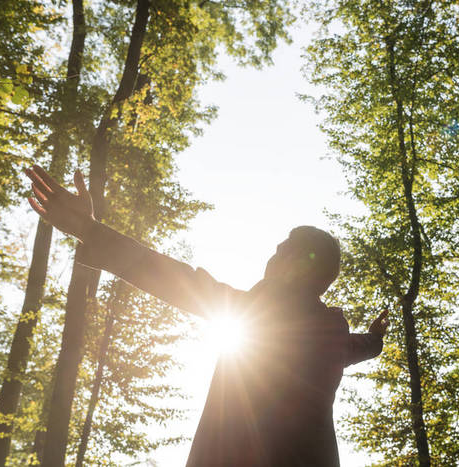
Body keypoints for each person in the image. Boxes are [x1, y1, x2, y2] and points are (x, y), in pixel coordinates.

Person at [24, 165, 389, 466]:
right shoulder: (332, 332)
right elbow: (356, 348)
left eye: (281, 250)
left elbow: (172, 278)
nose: (272, 256)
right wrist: (375, 339)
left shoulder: (257, 313)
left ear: (298, 266)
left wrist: (88, 229)